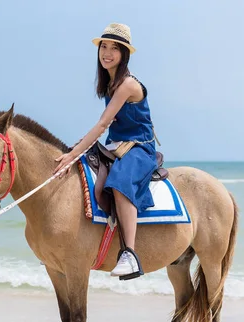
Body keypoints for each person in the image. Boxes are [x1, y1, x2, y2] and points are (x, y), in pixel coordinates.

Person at [53, 22, 158, 280]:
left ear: (124, 54)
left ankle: (130, 254)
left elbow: (102, 124)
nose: (107, 53)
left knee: (120, 182)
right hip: (115, 145)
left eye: (114, 48)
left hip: (139, 147)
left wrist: (73, 153)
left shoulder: (128, 85)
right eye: (104, 47)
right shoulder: (109, 84)